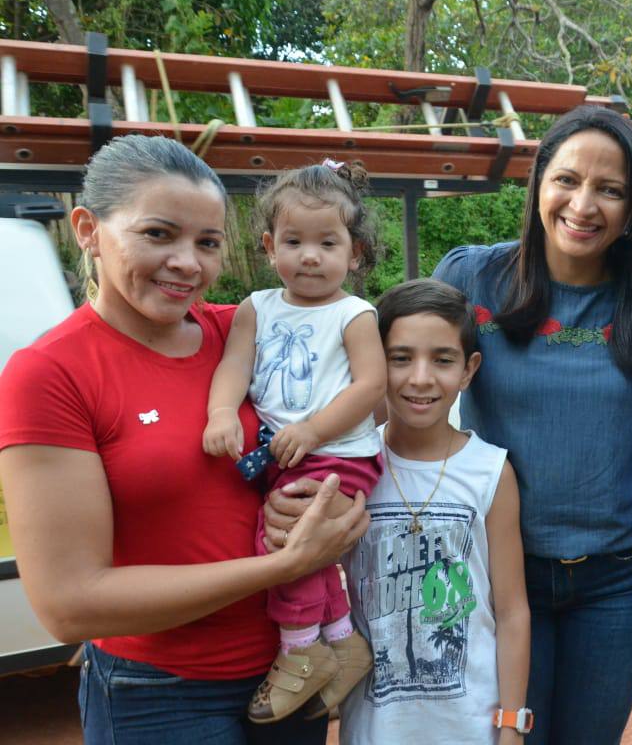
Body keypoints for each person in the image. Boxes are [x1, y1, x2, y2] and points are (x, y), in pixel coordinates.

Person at [0, 134, 368, 744]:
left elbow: (367, 401)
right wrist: (284, 563)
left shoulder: (243, 329)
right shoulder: (51, 374)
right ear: (87, 229)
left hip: (288, 673)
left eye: (208, 242)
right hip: (160, 695)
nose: (187, 263)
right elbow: (70, 603)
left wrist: (326, 504)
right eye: (158, 234)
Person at [430, 104, 632, 745]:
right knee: (503, 736)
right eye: (568, 180)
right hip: (499, 568)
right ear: (539, 182)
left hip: (622, 575)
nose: (584, 205)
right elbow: (407, 394)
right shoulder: (471, 278)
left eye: (611, 190)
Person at [203, 161, 386, 723]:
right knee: (306, 548)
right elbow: (235, 367)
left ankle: (300, 651)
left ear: (353, 253)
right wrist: (219, 412)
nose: (310, 255)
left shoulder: (354, 314)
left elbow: (371, 386)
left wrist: (312, 430)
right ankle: (339, 640)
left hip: (340, 452)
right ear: (269, 245)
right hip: (285, 453)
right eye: (294, 241)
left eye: (327, 243)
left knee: (286, 543)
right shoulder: (256, 308)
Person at [339, 278, 531, 744]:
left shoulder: (490, 471)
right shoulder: (350, 470)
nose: (420, 378)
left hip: (471, 726)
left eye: (442, 360)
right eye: (400, 358)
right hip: (374, 727)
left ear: (468, 370)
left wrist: (512, 724)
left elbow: (510, 611)